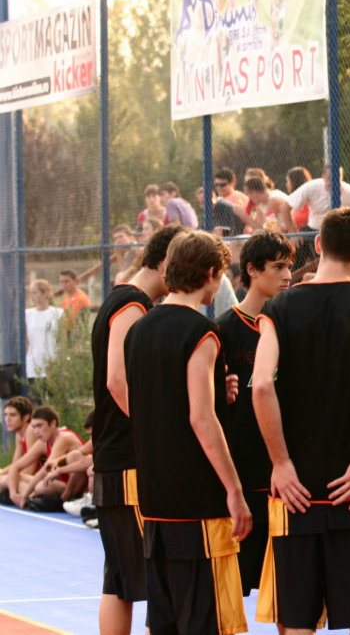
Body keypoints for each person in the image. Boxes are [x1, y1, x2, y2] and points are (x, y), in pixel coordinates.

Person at [252, 208, 350, 633]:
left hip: (296, 483)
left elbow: (260, 385)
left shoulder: (278, 308)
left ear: (318, 245)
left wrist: (280, 462)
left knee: (297, 618)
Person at [125, 230, 251, 635]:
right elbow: (200, 417)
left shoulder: (139, 329)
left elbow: (160, 400)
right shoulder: (202, 332)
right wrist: (234, 489)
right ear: (211, 273)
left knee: (165, 619)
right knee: (209, 619)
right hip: (197, 500)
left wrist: (217, 394)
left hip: (154, 495)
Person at [90, 224, 185, 635]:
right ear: (164, 263)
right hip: (127, 458)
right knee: (149, 574)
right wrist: (153, 433)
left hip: (116, 454)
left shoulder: (124, 299)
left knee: (119, 578)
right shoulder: (131, 305)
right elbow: (117, 379)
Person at [216, 230, 294, 598]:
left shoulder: (290, 324)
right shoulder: (225, 329)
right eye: (278, 267)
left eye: (289, 266)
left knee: (288, 588)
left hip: (286, 473)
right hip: (243, 471)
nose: (287, 275)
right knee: (232, 586)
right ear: (252, 270)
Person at [9, 406, 83, 508]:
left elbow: (46, 469)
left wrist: (25, 496)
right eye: (34, 427)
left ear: (53, 424)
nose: (36, 431)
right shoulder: (43, 442)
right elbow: (16, 466)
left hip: (76, 487)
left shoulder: (64, 438)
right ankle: (29, 497)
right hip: (59, 483)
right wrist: (12, 494)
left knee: (40, 487)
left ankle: (62, 499)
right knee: (12, 478)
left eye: (39, 426)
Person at [278, 164, 350, 233]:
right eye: (329, 179)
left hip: (339, 233)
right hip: (315, 231)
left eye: (337, 179)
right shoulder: (312, 186)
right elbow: (285, 207)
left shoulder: (346, 190)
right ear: (323, 176)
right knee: (299, 243)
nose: (333, 183)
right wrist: (293, 234)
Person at [0, 397, 38, 502]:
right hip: (29, 478)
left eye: (12, 415)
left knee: (5, 480)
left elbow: (31, 468)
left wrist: (11, 479)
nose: (7, 419)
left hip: (39, 479)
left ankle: (34, 498)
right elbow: (15, 464)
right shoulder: (19, 434)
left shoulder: (31, 430)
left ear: (26, 417)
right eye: (5, 415)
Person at [25, 279, 63, 382]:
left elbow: (62, 340)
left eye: (35, 293)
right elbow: (26, 341)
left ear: (45, 293)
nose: (32, 296)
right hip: (32, 364)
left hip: (52, 363)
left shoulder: (58, 313)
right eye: (31, 293)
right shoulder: (27, 314)